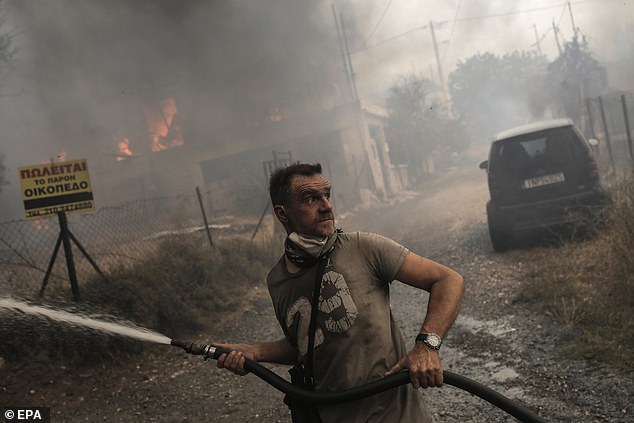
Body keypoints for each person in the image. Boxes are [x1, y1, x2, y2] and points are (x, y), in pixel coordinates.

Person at [214, 162, 464, 422]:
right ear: (282, 213)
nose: (326, 206)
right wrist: (254, 353)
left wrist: (427, 346)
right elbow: (307, 344)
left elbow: (448, 280)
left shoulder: (363, 248)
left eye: (327, 195)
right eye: (310, 198)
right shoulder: (277, 280)